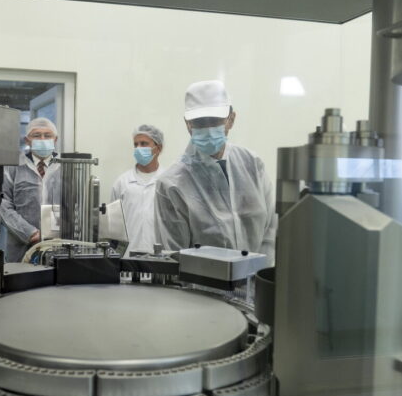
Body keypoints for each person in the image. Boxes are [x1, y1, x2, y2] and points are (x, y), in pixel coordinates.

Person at [154, 80, 277, 264]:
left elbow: (270, 232)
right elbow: (174, 256)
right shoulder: (171, 184)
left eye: (214, 120)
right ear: (188, 124)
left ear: (231, 119)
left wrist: (261, 274)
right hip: (201, 282)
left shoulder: (252, 164)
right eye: (200, 122)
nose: (208, 128)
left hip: (256, 278)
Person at [0, 117, 62, 262]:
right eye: (36, 135)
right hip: (21, 245)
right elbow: (3, 204)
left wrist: (57, 232)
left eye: (47, 135)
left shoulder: (65, 167)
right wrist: (29, 233)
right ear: (27, 140)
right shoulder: (13, 166)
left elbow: (74, 206)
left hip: (59, 243)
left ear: (55, 139)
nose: (42, 139)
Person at [111, 124, 166, 255]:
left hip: (160, 257)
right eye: (136, 144)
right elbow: (113, 227)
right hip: (127, 257)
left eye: (144, 144)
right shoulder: (122, 183)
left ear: (158, 148)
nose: (138, 148)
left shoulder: (167, 182)